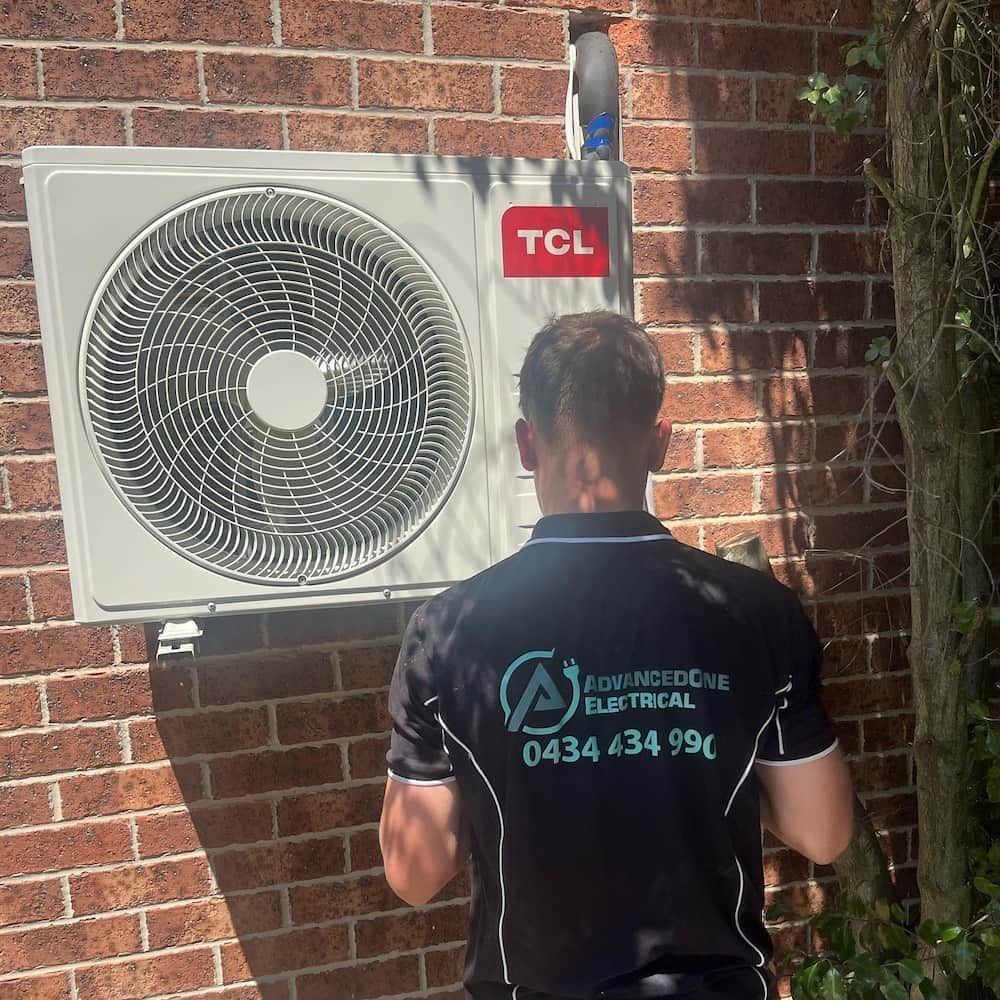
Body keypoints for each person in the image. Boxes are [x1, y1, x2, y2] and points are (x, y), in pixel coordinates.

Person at [379, 311, 855, 1000]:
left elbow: (415, 874)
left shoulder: (447, 632)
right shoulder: (756, 612)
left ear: (526, 444)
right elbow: (824, 833)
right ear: (661, 442)